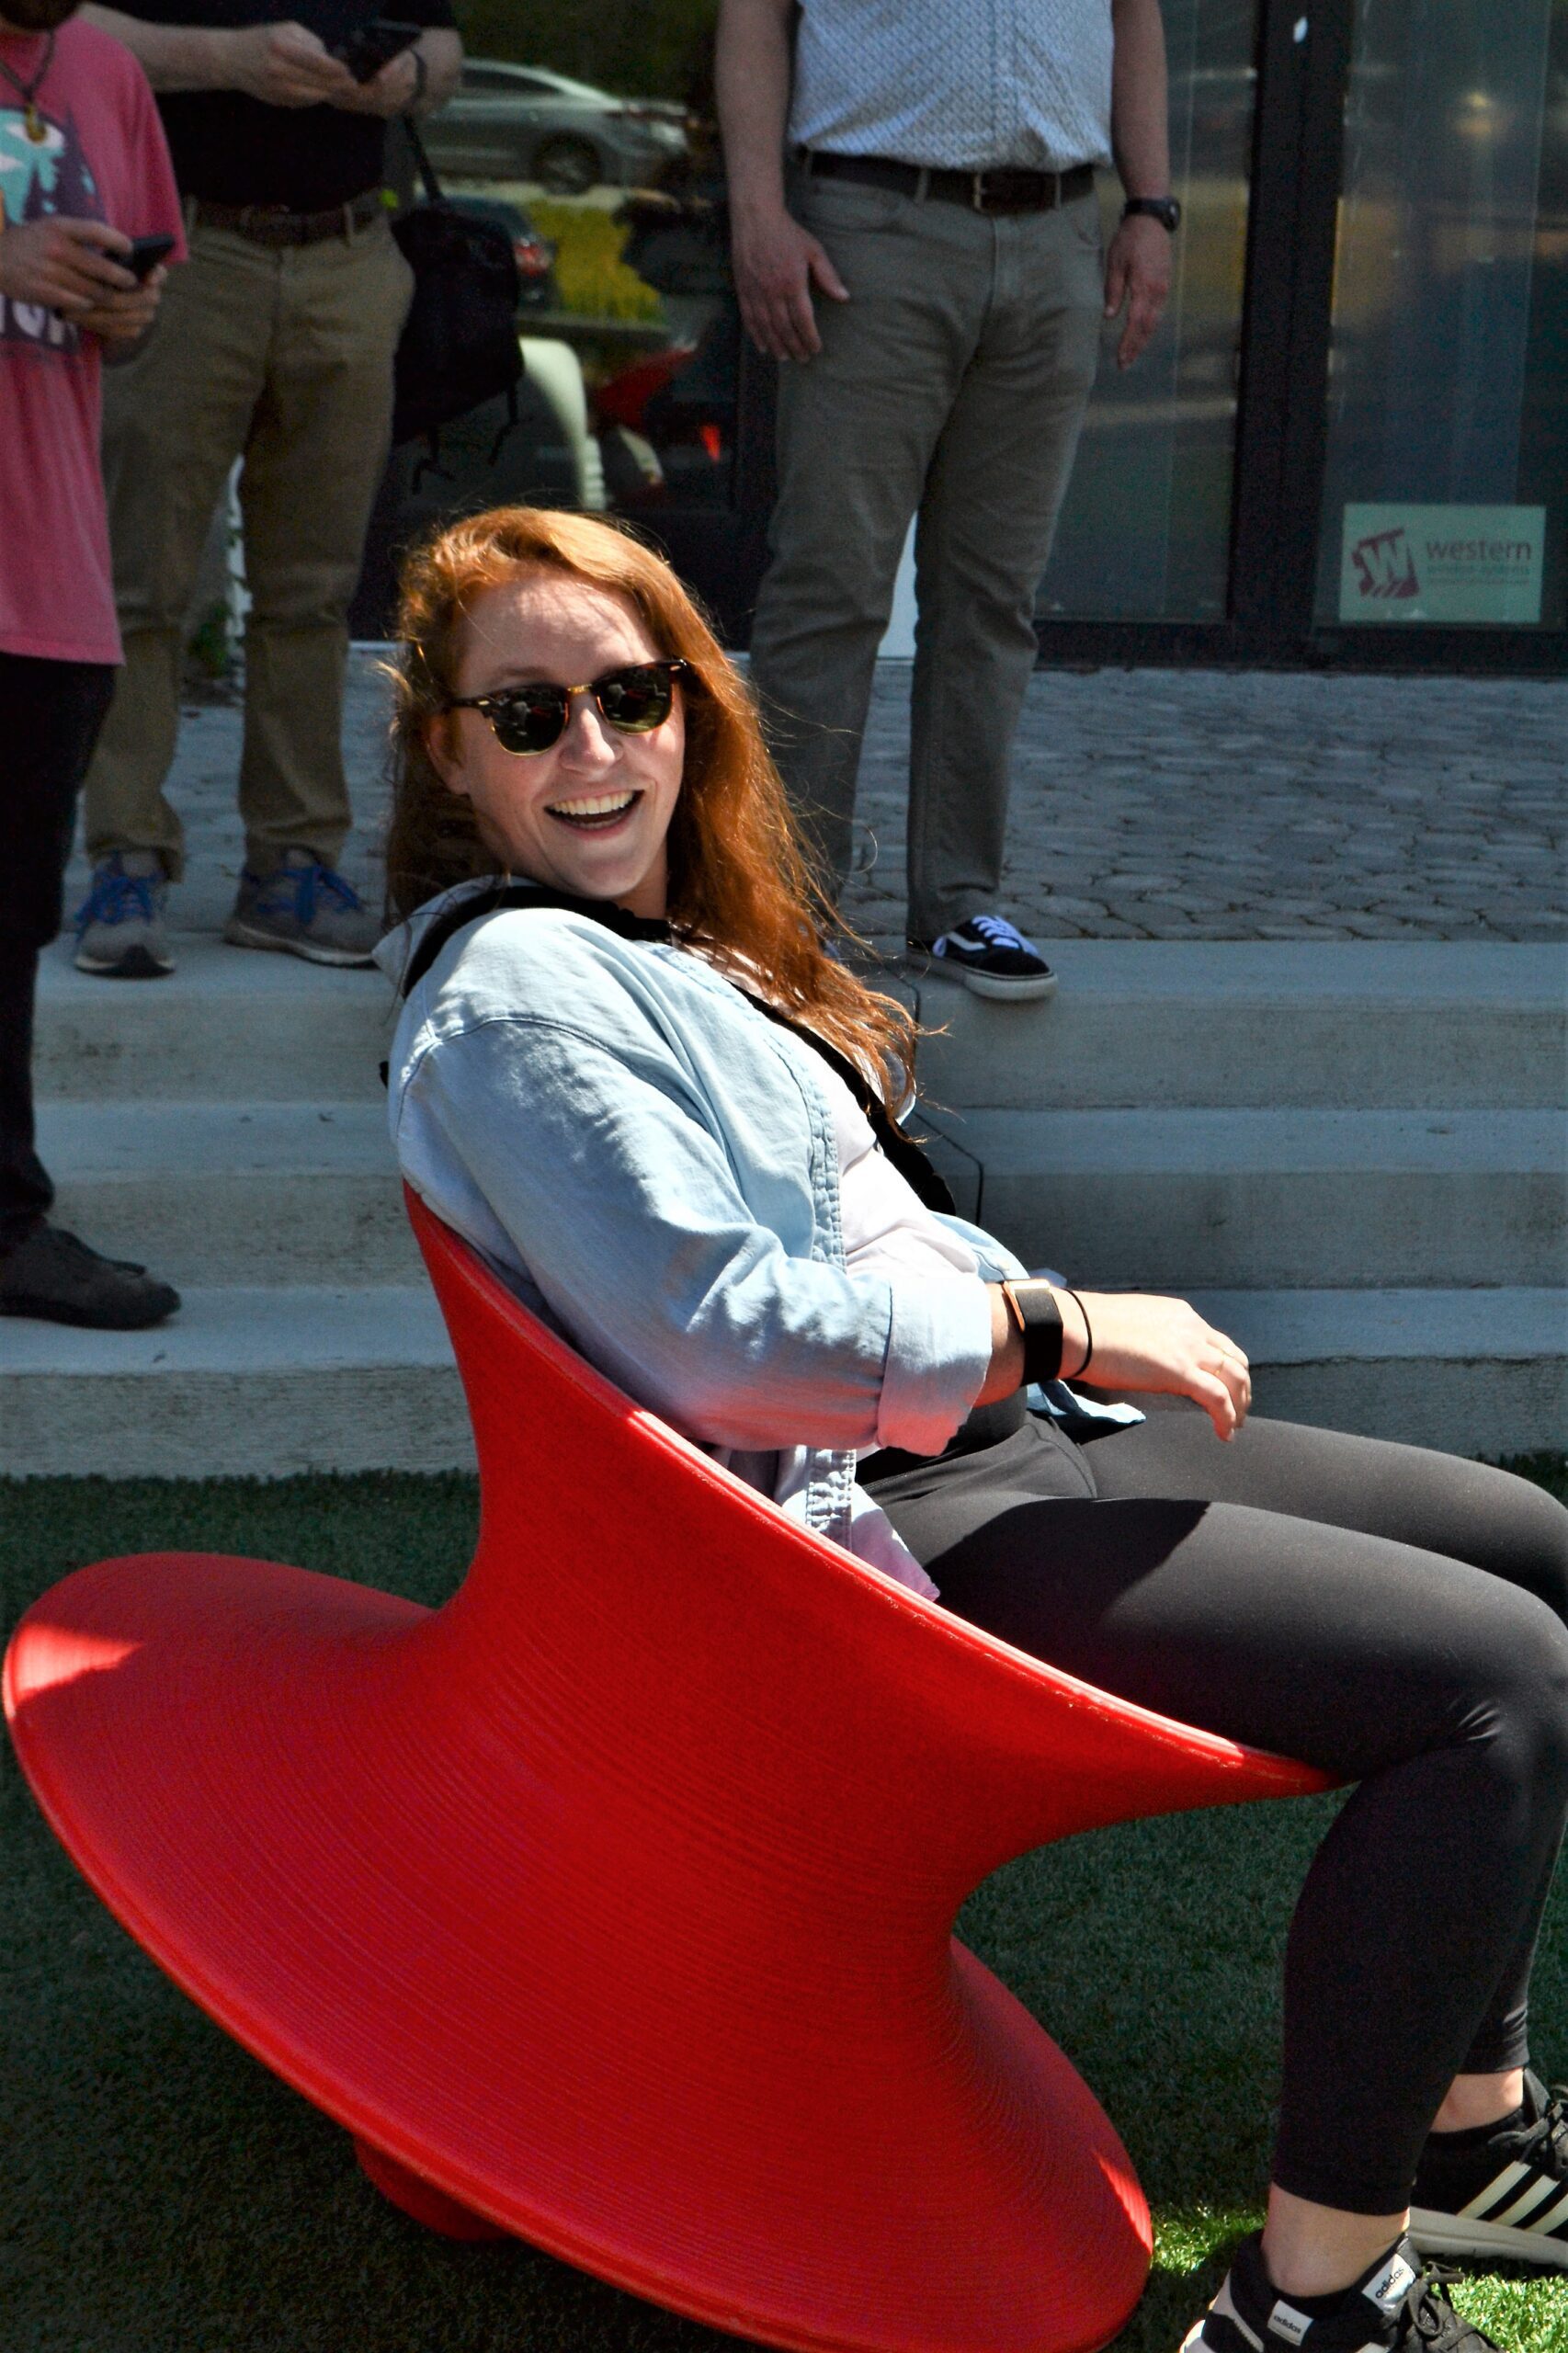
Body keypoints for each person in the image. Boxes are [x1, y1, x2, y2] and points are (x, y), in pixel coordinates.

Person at [377, 505, 1568, 2353]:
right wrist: (1050, 1318)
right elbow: (717, 1339)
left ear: (693, 708)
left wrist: (1034, 1347)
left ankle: (1459, 2129)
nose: (596, 749)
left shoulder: (646, 945)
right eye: (528, 714)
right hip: (879, 1536)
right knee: (1491, 1680)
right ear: (449, 753)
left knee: (1529, 1546)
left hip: (998, 1443)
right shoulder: (520, 997)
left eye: (631, 693)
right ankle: (1305, 2297)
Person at [716, 0, 1178, 1000]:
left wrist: (1151, 204)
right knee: (831, 583)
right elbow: (753, 15)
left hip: (1056, 230)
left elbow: (1133, 16)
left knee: (992, 597)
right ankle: (786, 913)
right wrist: (756, 209)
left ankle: (958, 903)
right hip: (870, 225)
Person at [67, 0, 461, 978]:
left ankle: (291, 864)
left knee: (314, 592)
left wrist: (397, 80)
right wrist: (227, 58)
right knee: (138, 581)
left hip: (349, 253)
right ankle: (126, 855)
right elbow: (65, 36)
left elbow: (445, 50)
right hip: (188, 247)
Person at [0, 0, 183, 1325]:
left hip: (49, 573)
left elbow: (137, 321)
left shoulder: (109, 72)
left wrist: (128, 296)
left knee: (7, 931)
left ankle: (7, 1224)